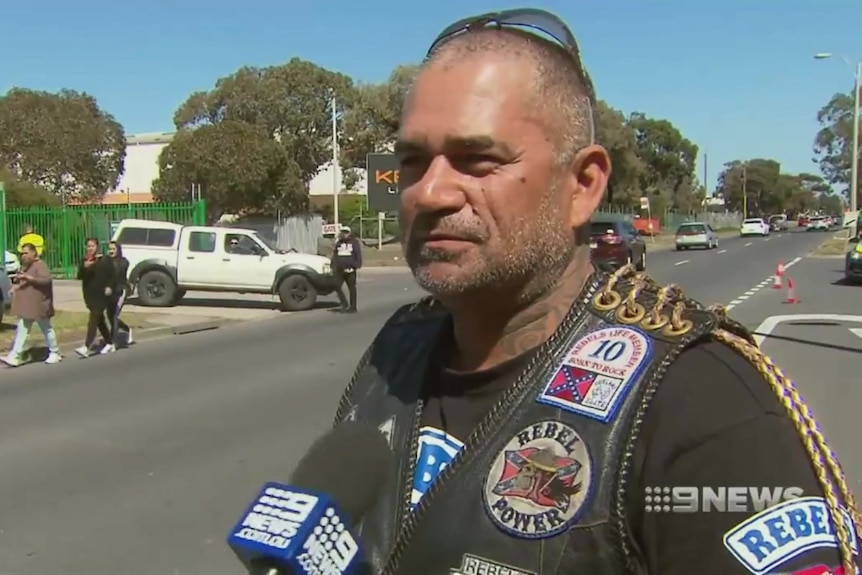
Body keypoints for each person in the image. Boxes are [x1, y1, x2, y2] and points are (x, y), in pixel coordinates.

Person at [332, 10, 860, 575]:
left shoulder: (704, 404)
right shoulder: (396, 352)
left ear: (582, 186)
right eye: (413, 161)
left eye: (478, 160)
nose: (430, 192)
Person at [1, 243, 61, 366]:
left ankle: (55, 352)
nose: (23, 256)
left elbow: (46, 280)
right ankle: (15, 355)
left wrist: (29, 278)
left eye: (26, 253)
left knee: (46, 328)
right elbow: (24, 282)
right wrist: (15, 287)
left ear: (34, 253)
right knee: (22, 328)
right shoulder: (26, 267)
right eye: (22, 253)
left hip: (40, 305)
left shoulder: (40, 265)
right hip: (29, 307)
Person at [75, 238, 116, 357]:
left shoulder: (105, 260)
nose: (90, 248)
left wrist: (110, 286)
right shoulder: (85, 260)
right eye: (88, 246)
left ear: (97, 247)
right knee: (100, 320)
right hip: (89, 294)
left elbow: (113, 275)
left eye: (92, 246)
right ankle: (109, 342)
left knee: (93, 319)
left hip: (102, 294)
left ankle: (87, 346)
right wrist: (85, 267)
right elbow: (80, 276)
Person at [105, 241, 133, 347]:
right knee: (110, 315)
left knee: (114, 315)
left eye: (113, 249)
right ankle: (127, 329)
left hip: (121, 290)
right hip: (111, 292)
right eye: (109, 249)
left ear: (118, 250)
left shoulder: (123, 261)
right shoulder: (107, 261)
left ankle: (113, 342)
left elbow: (118, 273)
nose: (111, 251)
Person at [331, 226, 362, 313]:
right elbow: (335, 254)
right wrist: (333, 264)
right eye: (343, 232)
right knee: (336, 286)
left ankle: (353, 307)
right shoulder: (339, 243)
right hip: (340, 269)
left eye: (346, 232)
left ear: (349, 233)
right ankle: (344, 304)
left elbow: (358, 255)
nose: (344, 234)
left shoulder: (354, 242)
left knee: (352, 288)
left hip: (350, 270)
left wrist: (355, 266)